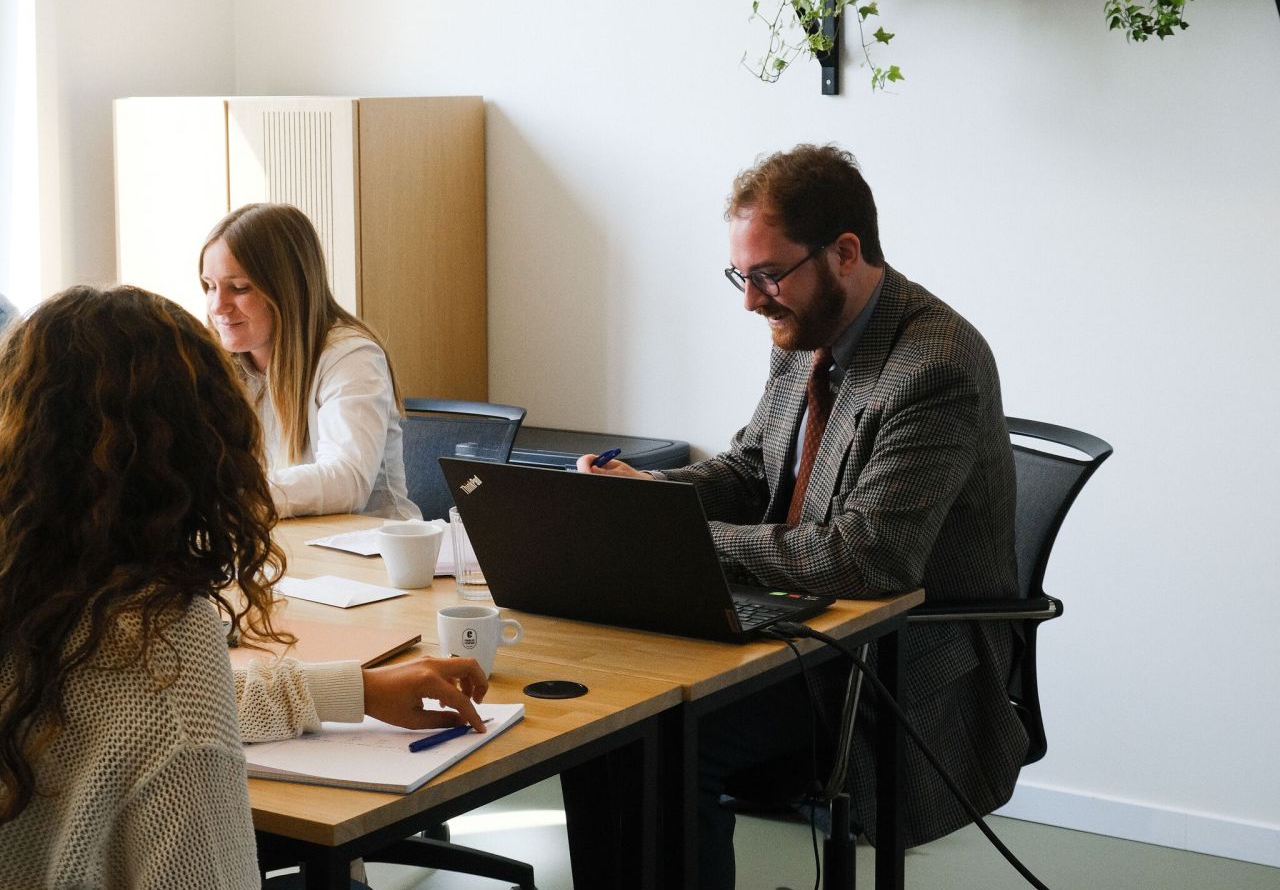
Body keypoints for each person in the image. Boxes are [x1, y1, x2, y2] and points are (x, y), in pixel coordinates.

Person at [577, 143, 1027, 889]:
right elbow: (752, 469)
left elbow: (867, 558)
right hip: (802, 630)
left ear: (845, 252)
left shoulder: (936, 365)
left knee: (673, 737)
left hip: (893, 669)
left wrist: (686, 540)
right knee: (608, 718)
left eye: (766, 275)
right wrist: (643, 498)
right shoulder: (805, 331)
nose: (751, 301)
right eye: (741, 276)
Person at [0, 285, 487, 889]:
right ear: (206, 445)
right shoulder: (161, 635)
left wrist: (352, 690)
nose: (221, 303)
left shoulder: (38, 599)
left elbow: (127, 705)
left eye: (237, 286)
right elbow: (165, 712)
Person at [200, 202, 420, 519]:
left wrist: (232, 497)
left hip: (370, 552)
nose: (217, 305)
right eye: (209, 286)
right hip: (284, 544)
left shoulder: (349, 355)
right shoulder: (217, 362)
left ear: (287, 288)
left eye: (239, 288)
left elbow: (347, 480)